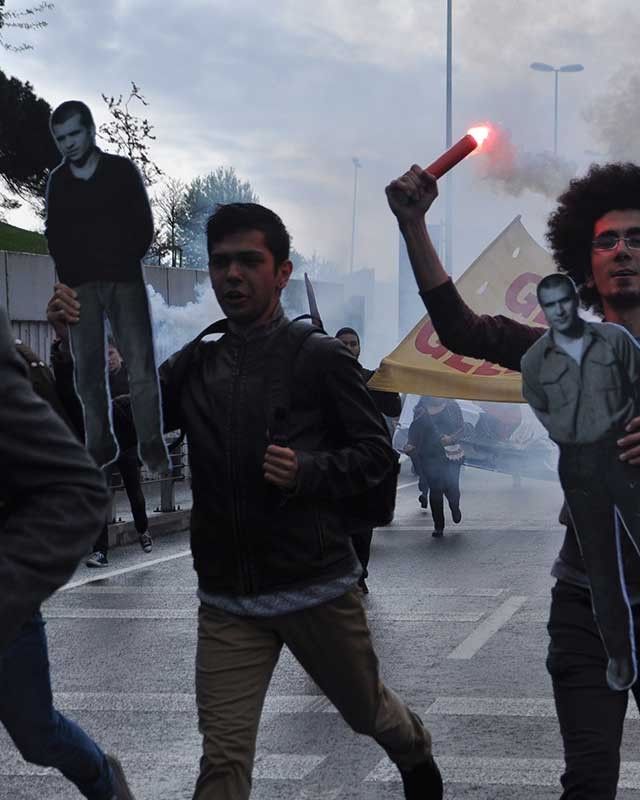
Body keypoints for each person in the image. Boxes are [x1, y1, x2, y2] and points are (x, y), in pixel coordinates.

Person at [388, 160, 640, 799]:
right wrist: (413, 226)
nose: (621, 250)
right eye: (605, 241)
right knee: (589, 779)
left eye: (637, 238)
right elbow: (461, 329)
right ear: (588, 270)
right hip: (585, 599)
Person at [48, 202, 441, 800]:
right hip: (229, 598)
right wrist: (70, 348)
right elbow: (118, 431)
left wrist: (308, 470)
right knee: (224, 767)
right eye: (221, 263)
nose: (232, 275)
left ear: (282, 272)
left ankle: (414, 752)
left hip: (317, 587)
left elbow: (376, 456)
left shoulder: (320, 358)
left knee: (369, 714)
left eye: (249, 262)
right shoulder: (196, 364)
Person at [522, 273, 640, 690]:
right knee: (601, 565)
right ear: (544, 308)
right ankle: (619, 656)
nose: (558, 311)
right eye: (549, 305)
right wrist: (576, 435)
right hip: (579, 466)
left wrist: (613, 427)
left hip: (627, 455)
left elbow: (639, 393)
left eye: (563, 302)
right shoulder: (535, 361)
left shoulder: (614, 340)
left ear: (574, 301)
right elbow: (543, 411)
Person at [1, 307, 136, 799]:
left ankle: (102, 779)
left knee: (37, 736)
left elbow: (74, 458)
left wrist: (65, 348)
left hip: (9, 604)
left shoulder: (17, 375)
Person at [44, 100, 170, 477]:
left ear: (91, 130)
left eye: (74, 134)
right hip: (81, 286)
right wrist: (69, 275)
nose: (68, 144)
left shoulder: (120, 171)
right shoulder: (58, 182)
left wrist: (122, 259)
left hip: (124, 281)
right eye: (60, 138)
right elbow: (55, 232)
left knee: (140, 366)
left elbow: (143, 224)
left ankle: (152, 445)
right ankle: (99, 444)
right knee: (87, 372)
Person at [47, 338, 153, 567]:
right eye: (104, 355)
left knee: (134, 493)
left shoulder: (131, 377)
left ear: (120, 355)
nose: (108, 359)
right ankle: (100, 551)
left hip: (128, 446)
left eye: (111, 353)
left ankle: (143, 529)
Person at [334, 326, 404, 593]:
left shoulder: (371, 379)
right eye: (344, 343)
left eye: (353, 343)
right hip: (334, 462)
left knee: (362, 525)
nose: (350, 347)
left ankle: (359, 573)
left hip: (364, 462)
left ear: (359, 347)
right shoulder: (321, 376)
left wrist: (390, 384)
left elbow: (393, 408)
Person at [402, 396, 465, 538]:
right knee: (436, 490)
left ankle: (455, 508)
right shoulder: (421, 409)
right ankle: (439, 526)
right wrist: (410, 444)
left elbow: (461, 428)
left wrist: (451, 438)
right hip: (429, 456)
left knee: (452, 488)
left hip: (451, 454)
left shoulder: (452, 406)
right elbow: (415, 430)